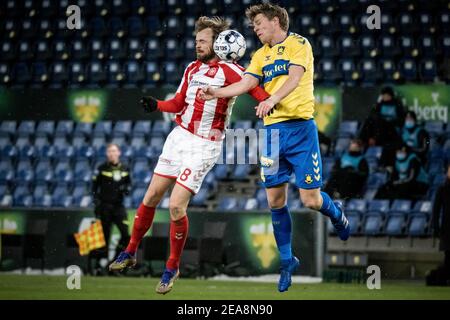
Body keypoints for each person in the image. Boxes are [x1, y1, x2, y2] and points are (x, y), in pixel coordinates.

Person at [108, 16, 269, 294]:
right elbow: (178, 102)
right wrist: (157, 104)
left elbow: (254, 89)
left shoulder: (231, 70)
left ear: (218, 43)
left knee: (175, 206)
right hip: (178, 138)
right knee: (150, 198)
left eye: (203, 41)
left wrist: (270, 101)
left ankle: (172, 266)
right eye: (196, 41)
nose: (198, 45)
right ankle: (130, 251)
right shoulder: (192, 69)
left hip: (205, 144)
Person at [199, 2, 350, 293]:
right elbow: (246, 83)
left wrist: (271, 99)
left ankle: (337, 214)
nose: (254, 28)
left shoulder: (298, 44)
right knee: (275, 201)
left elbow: (294, 77)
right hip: (271, 133)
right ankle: (286, 260)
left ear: (275, 21)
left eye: (258, 23)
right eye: (253, 25)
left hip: (301, 130)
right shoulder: (259, 55)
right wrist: (215, 92)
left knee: (310, 201)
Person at [91, 143, 131, 273]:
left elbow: (129, 186)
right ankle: (100, 265)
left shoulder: (125, 168)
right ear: (107, 154)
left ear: (119, 152)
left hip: (119, 207)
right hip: (105, 207)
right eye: (109, 151)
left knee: (126, 234)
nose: (112, 153)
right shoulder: (101, 168)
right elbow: (93, 188)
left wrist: (126, 189)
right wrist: (96, 204)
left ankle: (117, 260)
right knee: (104, 237)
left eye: (114, 151)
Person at [359, 86, 405, 167]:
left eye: (387, 95)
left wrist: (389, 121)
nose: (385, 97)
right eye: (384, 95)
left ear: (391, 95)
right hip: (380, 129)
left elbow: (401, 120)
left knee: (378, 120)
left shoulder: (397, 105)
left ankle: (374, 139)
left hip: (392, 130)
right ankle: (363, 140)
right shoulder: (379, 105)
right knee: (369, 120)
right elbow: (373, 116)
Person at [432, 163, 450, 284]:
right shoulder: (443, 189)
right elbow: (436, 210)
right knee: (448, 256)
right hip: (447, 228)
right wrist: (436, 227)